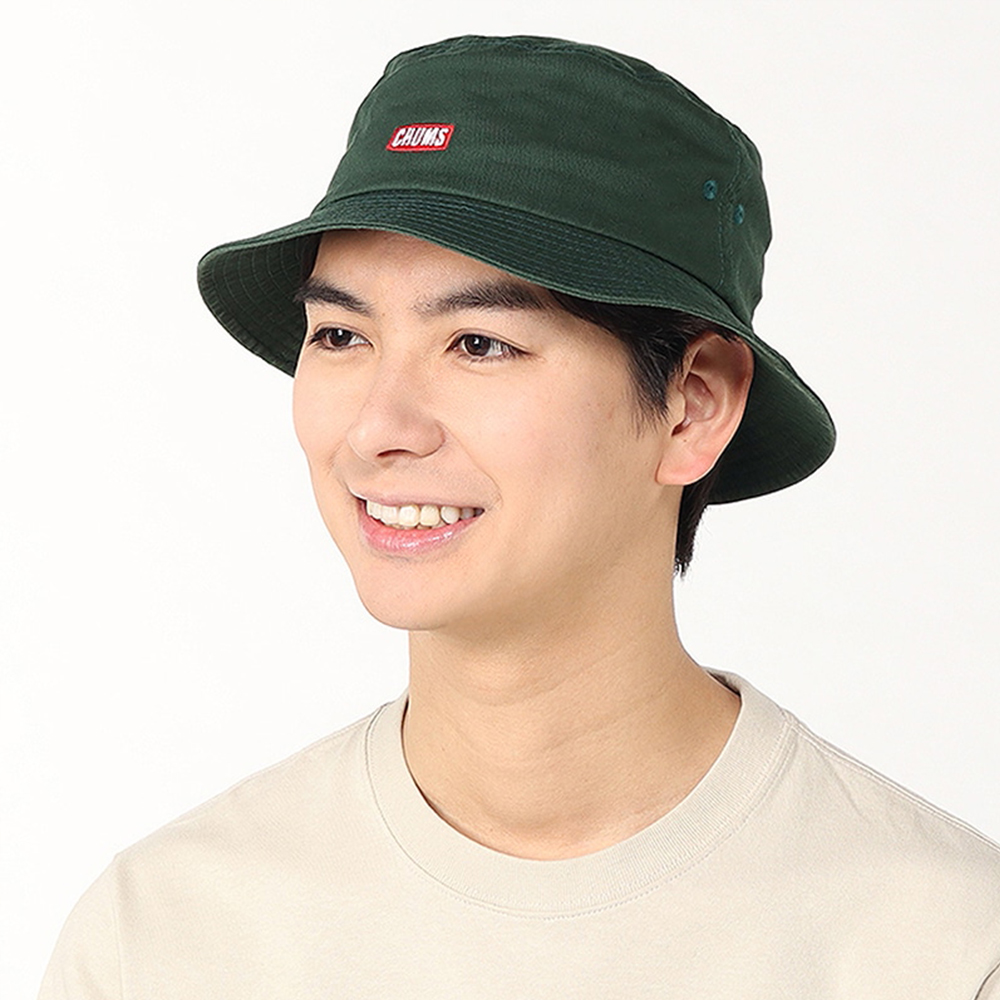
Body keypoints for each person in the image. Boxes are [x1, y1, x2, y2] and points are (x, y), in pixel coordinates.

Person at [38, 34, 1000, 999]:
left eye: (480, 344)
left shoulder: (940, 948)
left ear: (693, 404)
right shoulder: (161, 937)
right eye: (339, 335)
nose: (378, 428)